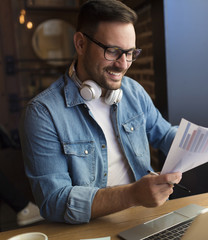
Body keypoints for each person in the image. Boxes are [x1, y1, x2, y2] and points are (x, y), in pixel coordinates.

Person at [19, 0, 182, 224]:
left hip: (143, 218)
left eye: (130, 53)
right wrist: (133, 194)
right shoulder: (42, 114)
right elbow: (54, 201)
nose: (123, 64)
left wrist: (198, 143)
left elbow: (164, 135)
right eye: (113, 51)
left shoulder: (133, 91)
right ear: (80, 44)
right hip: (88, 230)